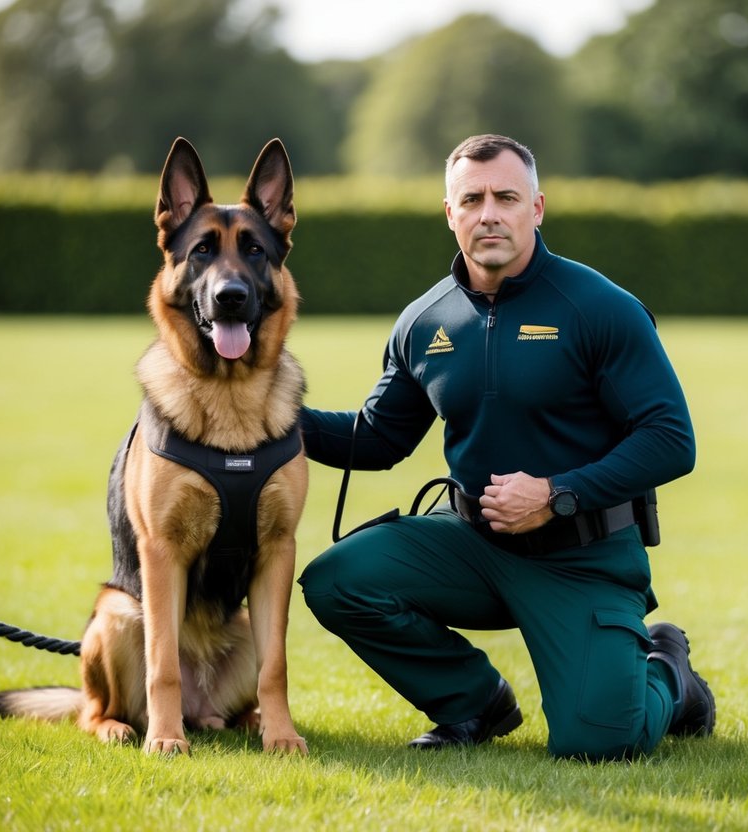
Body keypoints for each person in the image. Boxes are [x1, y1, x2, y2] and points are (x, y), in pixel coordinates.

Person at [298, 134, 713, 760]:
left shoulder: (600, 308)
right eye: (472, 199)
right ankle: (472, 702)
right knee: (338, 580)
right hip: (472, 546)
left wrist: (557, 494)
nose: (488, 213)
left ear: (536, 209)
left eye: (506, 198)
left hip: (583, 555)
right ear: (450, 214)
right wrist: (271, 417)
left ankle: (670, 675)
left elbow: (671, 439)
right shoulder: (423, 322)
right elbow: (378, 437)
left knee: (599, 742)